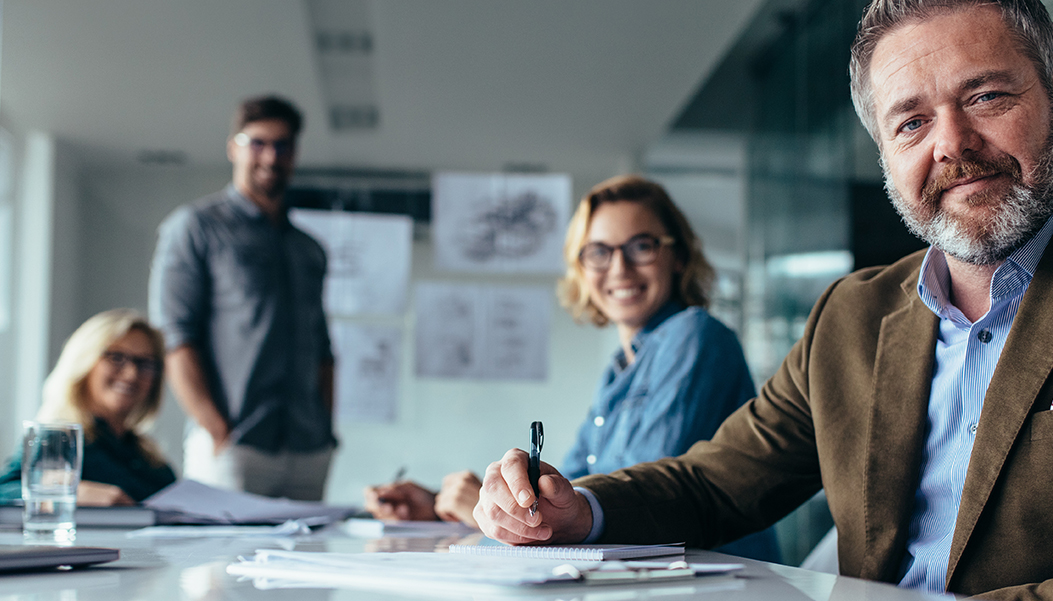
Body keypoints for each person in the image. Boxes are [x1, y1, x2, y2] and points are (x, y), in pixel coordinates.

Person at [472, 1, 1053, 598]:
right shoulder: (848, 318)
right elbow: (717, 482)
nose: (950, 144)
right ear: (885, 152)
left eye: (985, 96)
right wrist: (580, 508)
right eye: (910, 122)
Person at [365, 175, 780, 562]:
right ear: (581, 268)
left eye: (641, 246)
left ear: (677, 256)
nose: (619, 268)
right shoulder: (621, 367)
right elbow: (573, 492)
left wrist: (506, 511)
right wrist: (458, 504)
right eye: (599, 251)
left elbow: (639, 502)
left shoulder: (694, 336)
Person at [149, 95, 336, 501]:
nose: (271, 156)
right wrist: (216, 429)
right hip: (235, 446)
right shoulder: (195, 227)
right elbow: (175, 337)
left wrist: (327, 429)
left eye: (282, 145)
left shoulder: (310, 249)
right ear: (234, 147)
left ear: (295, 154)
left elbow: (323, 348)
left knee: (307, 563)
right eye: (258, 142)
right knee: (222, 565)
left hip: (309, 448)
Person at [0, 310, 176, 505]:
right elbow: (4, 490)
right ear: (84, 361)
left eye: (145, 363)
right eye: (116, 357)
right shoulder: (58, 439)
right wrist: (69, 490)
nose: (131, 374)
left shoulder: (149, 457)